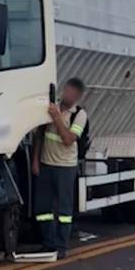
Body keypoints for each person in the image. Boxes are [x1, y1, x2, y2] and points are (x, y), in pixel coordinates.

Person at [31, 78, 87, 260]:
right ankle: (48, 242)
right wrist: (35, 162)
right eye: (67, 90)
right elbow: (39, 135)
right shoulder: (52, 107)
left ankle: (61, 246)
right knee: (43, 208)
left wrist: (56, 118)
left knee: (64, 211)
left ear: (77, 96)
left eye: (72, 93)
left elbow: (69, 139)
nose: (67, 94)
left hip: (65, 167)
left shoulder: (79, 114)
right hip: (47, 164)